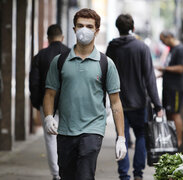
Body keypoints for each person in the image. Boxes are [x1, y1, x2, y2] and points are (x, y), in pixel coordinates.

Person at [43, 8, 127, 180]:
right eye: (80, 25)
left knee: (84, 175)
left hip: (93, 130)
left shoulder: (106, 63)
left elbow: (116, 103)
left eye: (89, 26)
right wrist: (48, 117)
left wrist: (121, 137)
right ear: (74, 29)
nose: (84, 30)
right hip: (65, 130)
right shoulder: (59, 61)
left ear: (96, 31)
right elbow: (50, 94)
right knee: (67, 175)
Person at [106, 14, 163, 180]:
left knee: (121, 138)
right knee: (141, 137)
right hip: (139, 103)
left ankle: (124, 175)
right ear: (133, 28)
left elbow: (105, 73)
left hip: (119, 104)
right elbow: (150, 78)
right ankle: (138, 173)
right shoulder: (142, 48)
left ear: (118, 28)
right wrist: (157, 104)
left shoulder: (112, 47)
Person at [29, 24, 70, 180]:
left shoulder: (40, 56)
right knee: (67, 137)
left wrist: (37, 103)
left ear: (48, 38)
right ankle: (66, 170)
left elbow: (34, 82)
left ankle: (56, 174)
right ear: (62, 37)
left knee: (50, 139)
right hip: (66, 102)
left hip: (47, 103)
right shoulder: (69, 53)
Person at [156, 30, 183, 147]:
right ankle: (172, 140)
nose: (162, 42)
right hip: (168, 87)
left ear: (169, 37)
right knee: (169, 113)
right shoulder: (172, 49)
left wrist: (164, 69)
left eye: (162, 39)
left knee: (175, 114)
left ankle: (179, 142)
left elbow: (180, 68)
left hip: (176, 88)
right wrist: (161, 74)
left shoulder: (180, 49)